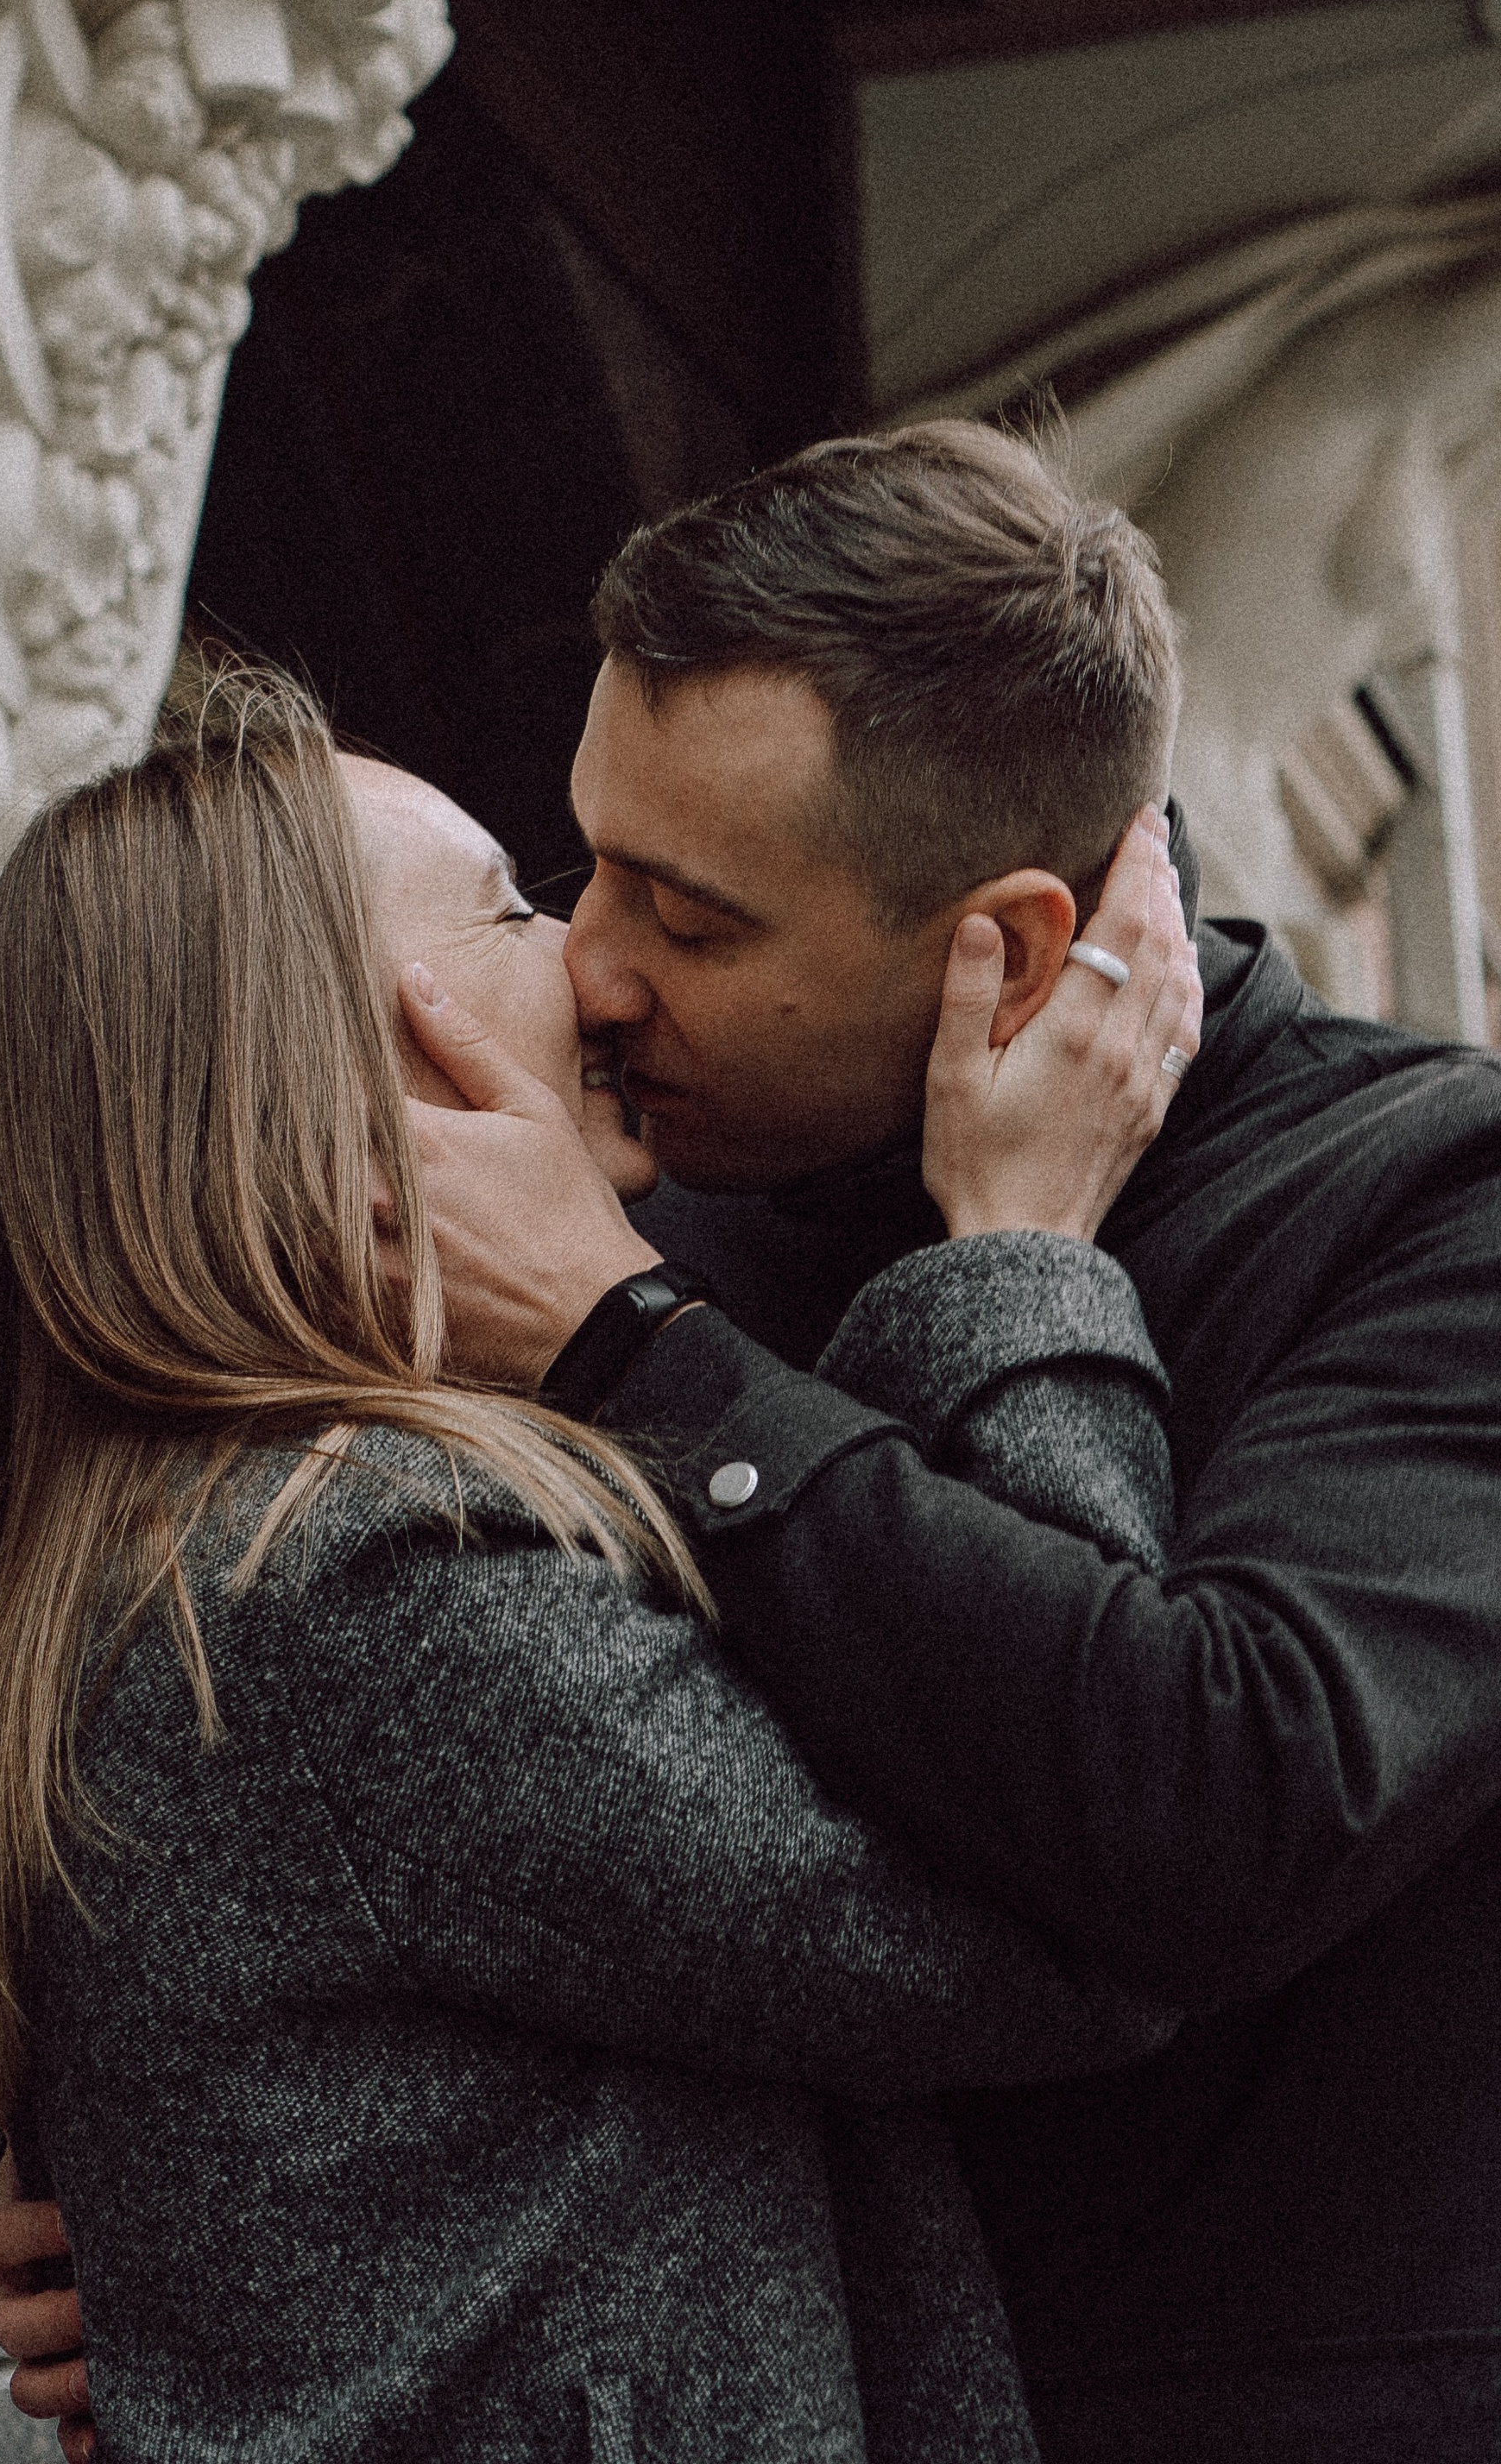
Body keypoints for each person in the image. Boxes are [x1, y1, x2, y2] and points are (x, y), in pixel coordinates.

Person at [0, 654, 1201, 2463]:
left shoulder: (220, 1549)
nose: (598, 967)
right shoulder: (366, 1589)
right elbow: (1077, 1901)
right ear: (335, 1057)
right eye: (519, 905)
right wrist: (1019, 1245)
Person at [387, 422, 1501, 2463]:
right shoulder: (634, 1210)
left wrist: (646, 1356)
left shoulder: (1432, 1203)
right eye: (581, 864)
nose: (592, 970)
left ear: (1004, 936)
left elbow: (1224, 1796)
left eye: (689, 919)